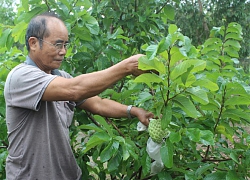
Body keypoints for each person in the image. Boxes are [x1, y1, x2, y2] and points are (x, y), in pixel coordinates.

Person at [4, 12, 154, 180]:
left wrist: (133, 111)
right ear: (33, 43)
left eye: (65, 45)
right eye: (57, 44)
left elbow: (98, 104)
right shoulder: (21, 77)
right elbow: (75, 90)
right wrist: (128, 66)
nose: (63, 52)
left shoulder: (62, 77)